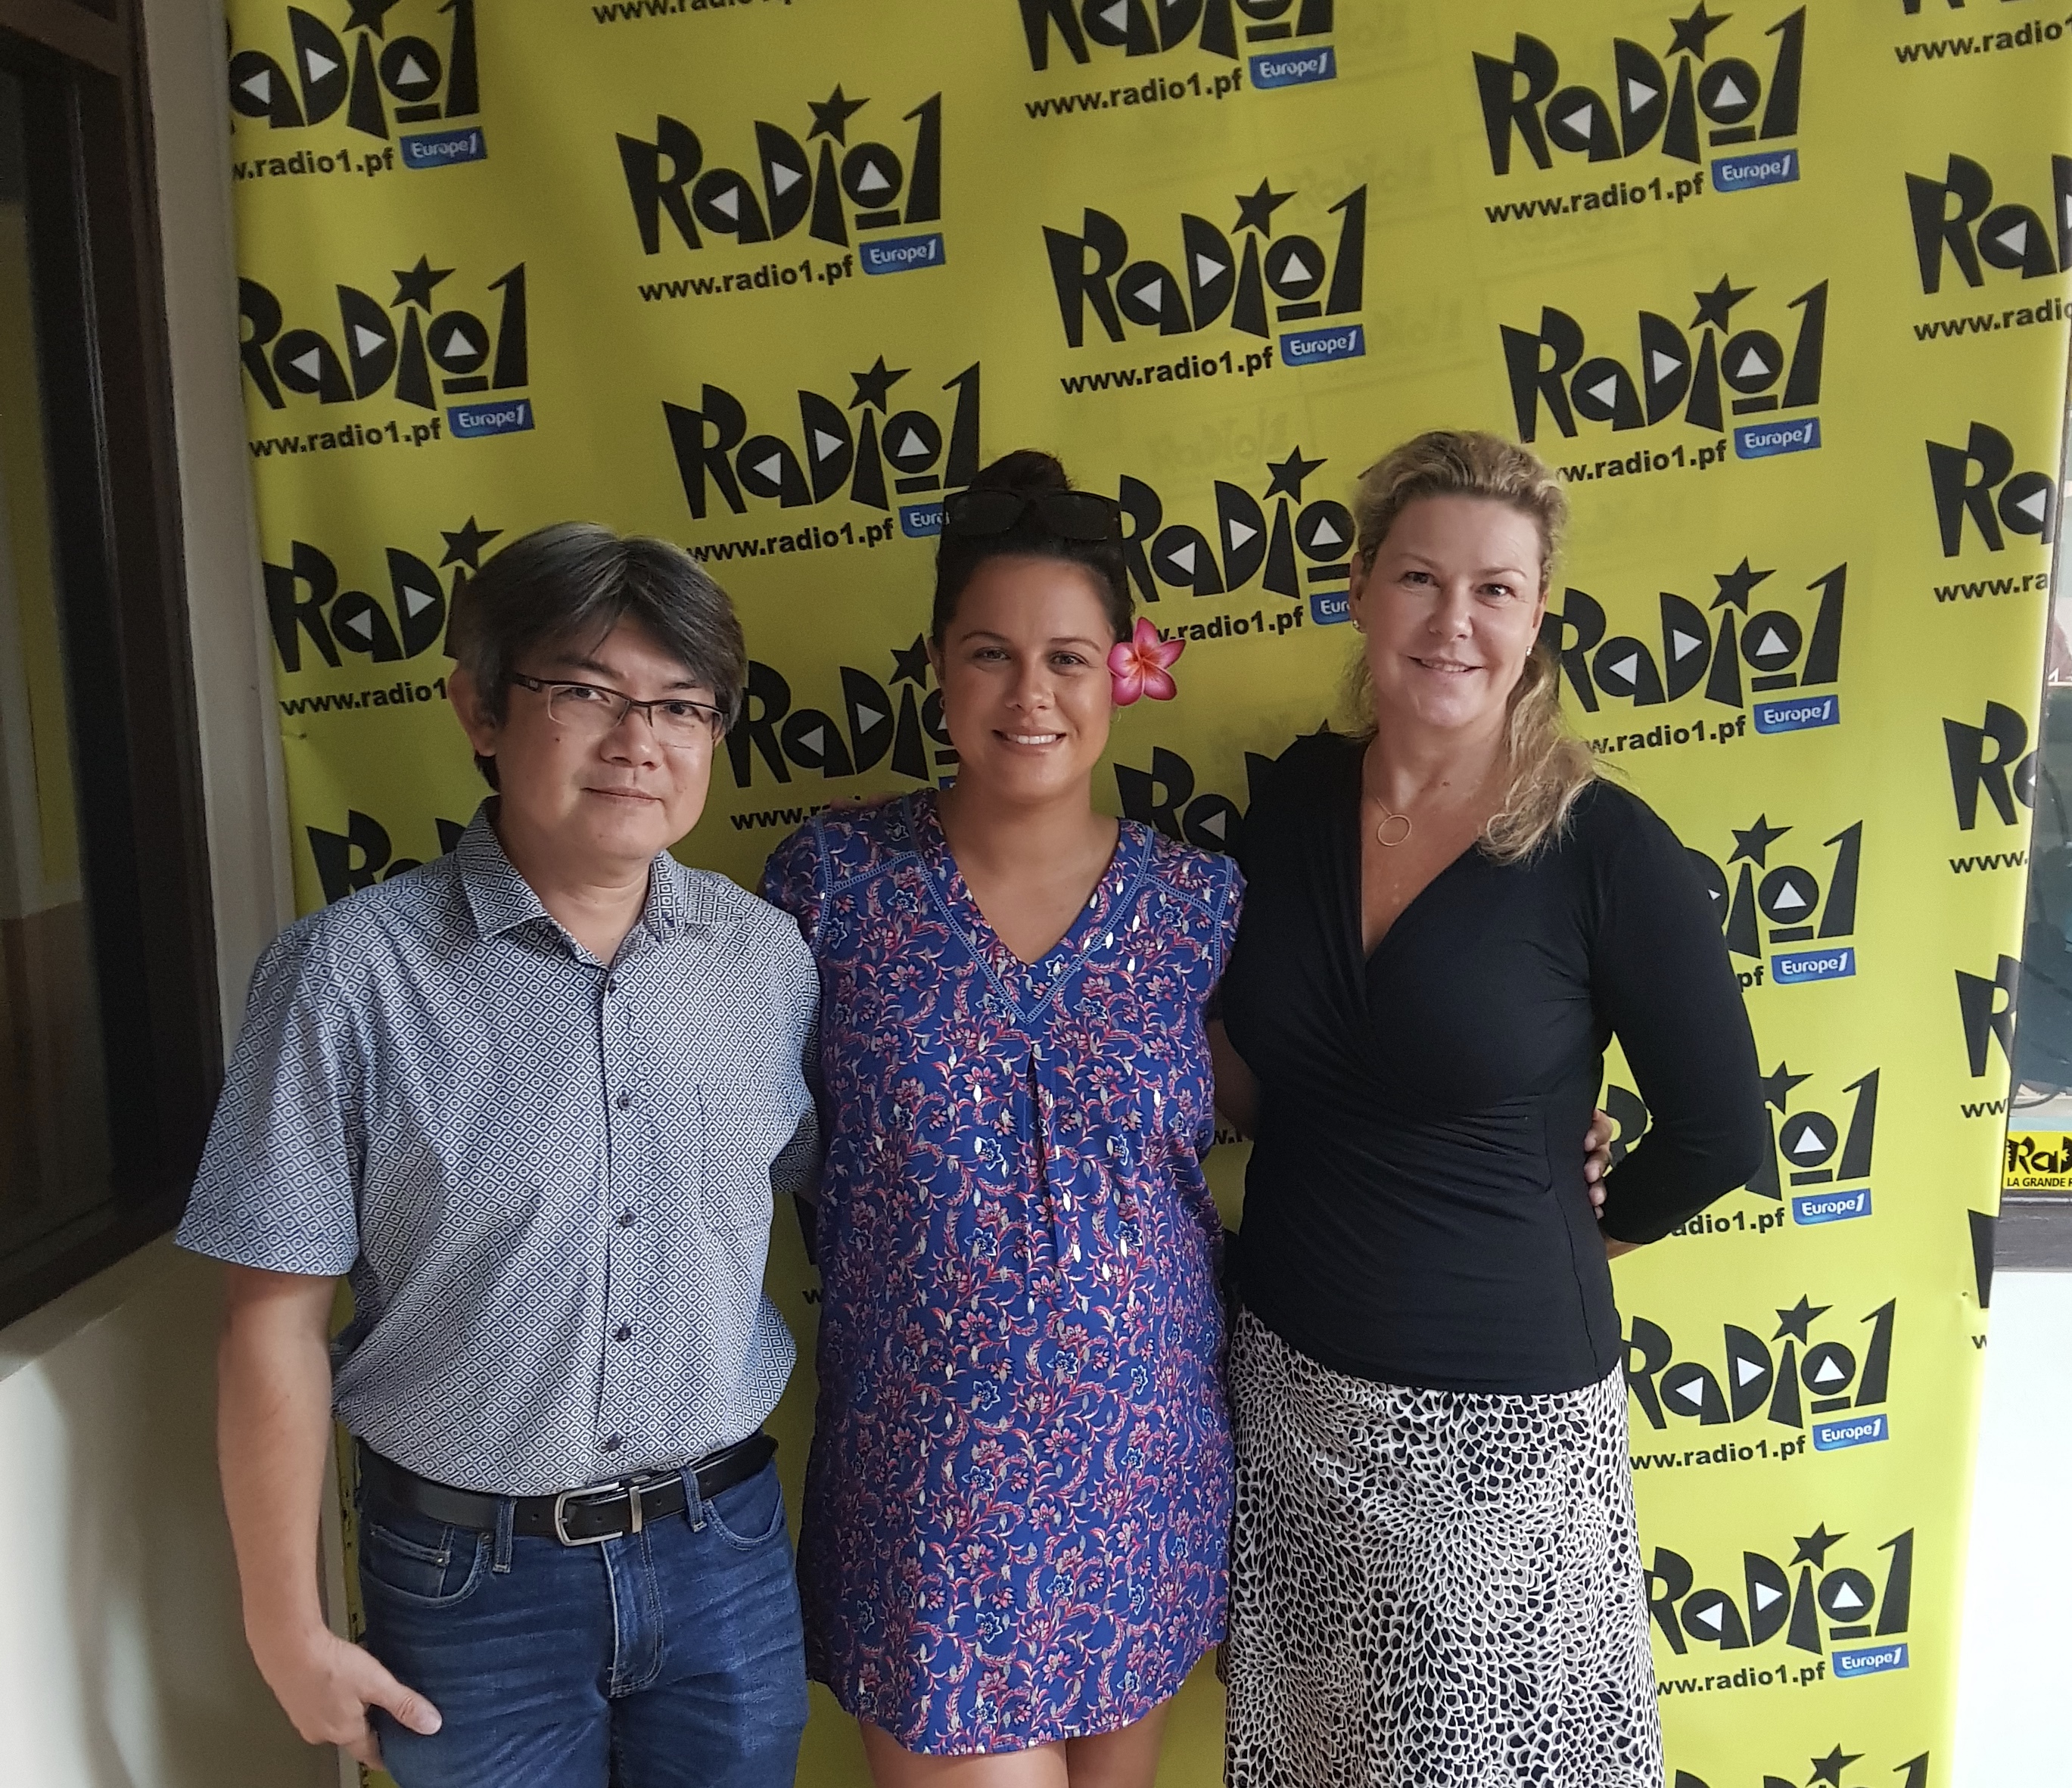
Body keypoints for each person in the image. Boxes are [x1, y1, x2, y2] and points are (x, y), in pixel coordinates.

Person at [178, 524, 818, 1788]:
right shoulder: (346, 978)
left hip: (724, 1552)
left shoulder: (769, 965)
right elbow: (270, 1326)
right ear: (479, 708)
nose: (639, 740)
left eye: (682, 706)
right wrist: (286, 1626)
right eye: (585, 692)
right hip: (471, 1582)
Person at [1210, 431, 1765, 1787]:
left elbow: (1719, 1135)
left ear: (1534, 621)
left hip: (1498, 1439)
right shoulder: (1284, 808)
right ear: (1360, 591)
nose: (1453, 623)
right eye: (1420, 579)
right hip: (1285, 1397)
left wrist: (1564, 1223)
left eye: (1495, 591)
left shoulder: (1602, 846)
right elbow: (1238, 1063)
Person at [759, 450, 1240, 1786]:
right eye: (989, 654)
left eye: (1068, 658)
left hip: (1143, 1465)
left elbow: (1328, 1097)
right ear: (934, 666)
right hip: (930, 1490)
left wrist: (1555, 1138)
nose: (1029, 696)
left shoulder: (1198, 906)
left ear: (1127, 669)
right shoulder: (831, 886)